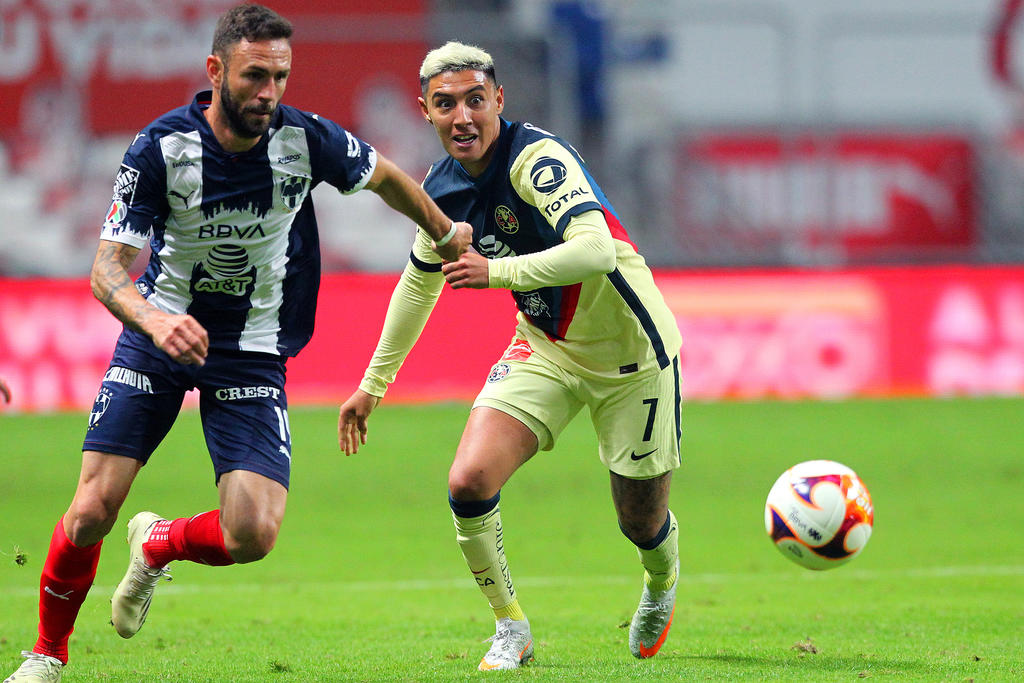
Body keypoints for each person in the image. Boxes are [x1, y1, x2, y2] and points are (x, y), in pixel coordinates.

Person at [4, 6, 470, 682]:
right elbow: (107, 270)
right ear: (215, 71)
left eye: (280, 76)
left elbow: (385, 175)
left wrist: (442, 226)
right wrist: (155, 321)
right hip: (158, 338)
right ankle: (47, 653)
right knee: (88, 513)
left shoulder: (304, 140)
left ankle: (158, 542)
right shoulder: (160, 148)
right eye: (255, 76)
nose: (269, 92)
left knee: (253, 533)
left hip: (250, 349)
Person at [338, 41, 683, 671]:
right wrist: (373, 385)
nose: (462, 116)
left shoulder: (537, 160)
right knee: (468, 480)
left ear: (499, 99)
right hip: (545, 347)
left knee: (640, 522)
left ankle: (660, 584)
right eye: (446, 104)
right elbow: (419, 283)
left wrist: (496, 272)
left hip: (631, 353)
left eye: (475, 100)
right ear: (426, 111)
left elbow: (598, 251)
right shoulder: (439, 189)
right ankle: (511, 626)